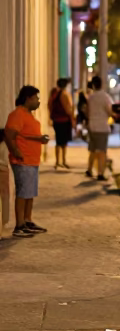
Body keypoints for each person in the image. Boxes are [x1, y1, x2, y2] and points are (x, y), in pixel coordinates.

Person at [4, 86, 49, 238]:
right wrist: (16, 151)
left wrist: (40, 139)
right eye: (36, 98)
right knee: (23, 192)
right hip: (22, 160)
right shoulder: (17, 114)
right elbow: (9, 134)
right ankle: (19, 225)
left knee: (30, 192)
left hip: (32, 160)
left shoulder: (28, 115)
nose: (38, 101)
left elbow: (27, 134)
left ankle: (27, 220)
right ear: (28, 98)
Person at [86, 75, 113, 181]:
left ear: (93, 85)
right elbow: (109, 110)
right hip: (102, 127)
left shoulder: (91, 97)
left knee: (92, 150)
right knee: (102, 151)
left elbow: (87, 112)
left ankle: (89, 169)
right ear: (101, 84)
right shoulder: (105, 97)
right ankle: (100, 173)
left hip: (92, 126)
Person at [49, 77, 74, 170]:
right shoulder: (64, 94)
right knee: (63, 142)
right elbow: (68, 109)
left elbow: (49, 105)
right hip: (64, 120)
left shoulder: (54, 94)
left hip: (56, 120)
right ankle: (63, 161)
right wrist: (72, 117)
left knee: (58, 141)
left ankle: (57, 162)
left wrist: (50, 116)